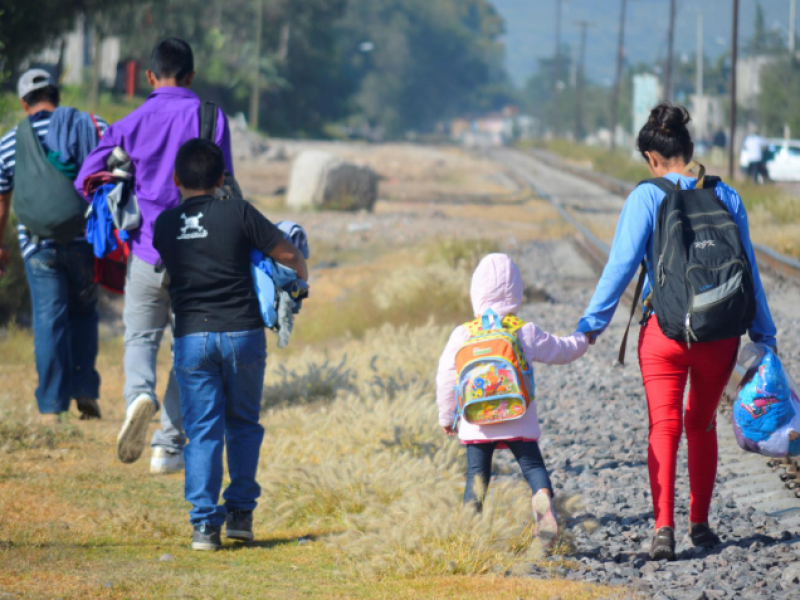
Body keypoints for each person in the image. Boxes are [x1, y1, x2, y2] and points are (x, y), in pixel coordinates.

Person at [578, 104, 777, 561]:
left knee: (664, 427)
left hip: (664, 335)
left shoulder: (646, 197)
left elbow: (620, 267)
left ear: (651, 157)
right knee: (702, 424)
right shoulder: (727, 196)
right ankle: (700, 524)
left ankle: (663, 529)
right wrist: (763, 334)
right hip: (719, 334)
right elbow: (750, 270)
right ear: (689, 151)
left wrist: (591, 326)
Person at [77, 39, 234, 474]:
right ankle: (167, 446)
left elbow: (85, 179)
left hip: (147, 251)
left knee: (141, 338)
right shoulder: (210, 117)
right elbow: (228, 183)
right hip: (199, 258)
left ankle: (138, 397)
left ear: (149, 77)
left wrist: (122, 175)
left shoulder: (129, 122)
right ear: (191, 76)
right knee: (189, 350)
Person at [152, 138, 307, 551]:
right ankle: (240, 516)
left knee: (202, 430)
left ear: (175, 179)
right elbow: (288, 255)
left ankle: (205, 527)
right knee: (243, 424)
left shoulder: (164, 224)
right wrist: (301, 280)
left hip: (191, 338)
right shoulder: (239, 212)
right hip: (242, 334)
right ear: (222, 178)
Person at [435, 253, 588, 546]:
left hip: (476, 422)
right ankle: (542, 500)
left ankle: (469, 533)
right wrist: (584, 338)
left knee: (476, 477)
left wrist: (446, 417)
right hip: (518, 418)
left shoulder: (462, 334)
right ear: (516, 293)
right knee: (532, 468)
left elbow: (445, 377)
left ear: (476, 293)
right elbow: (563, 351)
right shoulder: (523, 331)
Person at [0, 69, 107, 424]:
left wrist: (0, 246)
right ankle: (85, 391)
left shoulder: (9, 141)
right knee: (84, 314)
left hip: (38, 246)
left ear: (23, 103)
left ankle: (50, 406)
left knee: (49, 320)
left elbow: (2, 201)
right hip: (85, 242)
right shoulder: (92, 127)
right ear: (56, 96)